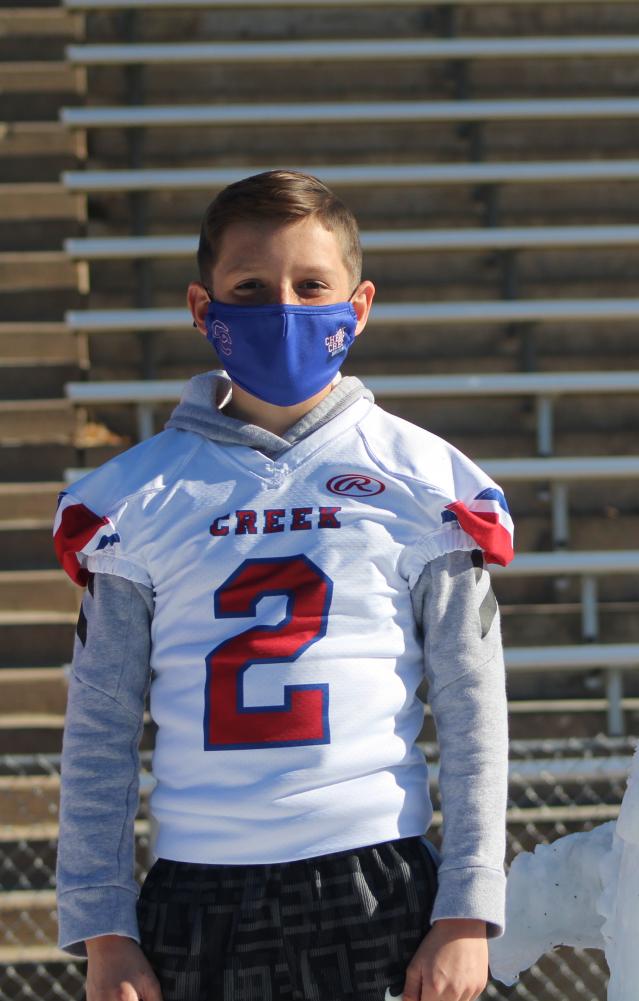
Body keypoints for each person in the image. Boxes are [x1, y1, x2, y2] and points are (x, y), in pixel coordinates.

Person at [52, 169, 513, 1001]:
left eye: (312, 286)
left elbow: (474, 708)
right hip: (197, 891)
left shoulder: (423, 481)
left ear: (359, 305)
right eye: (251, 289)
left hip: (373, 878)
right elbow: (99, 730)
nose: (285, 308)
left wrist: (467, 910)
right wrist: (103, 925)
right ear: (204, 309)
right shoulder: (133, 496)